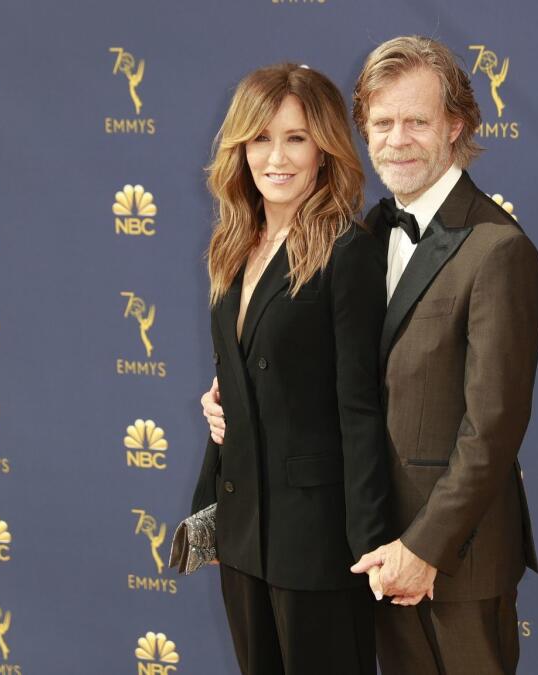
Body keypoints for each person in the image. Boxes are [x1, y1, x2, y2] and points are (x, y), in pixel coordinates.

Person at [203, 37, 538, 675]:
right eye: (382, 123)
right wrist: (236, 402)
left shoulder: (497, 249)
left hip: (453, 556)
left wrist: (425, 547)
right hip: (367, 542)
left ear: (456, 125)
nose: (397, 139)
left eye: (417, 121)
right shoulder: (362, 233)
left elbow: (492, 429)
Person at [190, 62, 390, 675]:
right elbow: (239, 383)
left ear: (325, 150)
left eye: (296, 138)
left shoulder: (347, 251)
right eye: (260, 138)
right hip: (245, 526)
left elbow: (360, 408)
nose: (275, 157)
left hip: (320, 539)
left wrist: (372, 543)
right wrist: (210, 511)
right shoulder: (233, 247)